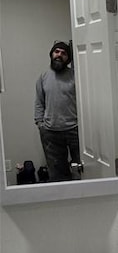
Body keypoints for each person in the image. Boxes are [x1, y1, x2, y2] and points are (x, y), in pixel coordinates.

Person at [34, 40, 81, 181]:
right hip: (50, 132)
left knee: (83, 169)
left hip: (75, 130)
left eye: (64, 53)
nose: (59, 55)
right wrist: (39, 123)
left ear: (68, 58)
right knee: (57, 173)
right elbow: (39, 102)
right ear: (51, 54)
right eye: (57, 52)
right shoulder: (43, 77)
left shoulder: (75, 75)